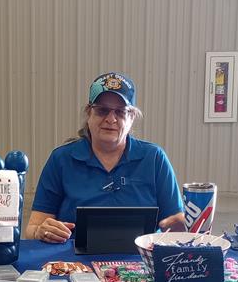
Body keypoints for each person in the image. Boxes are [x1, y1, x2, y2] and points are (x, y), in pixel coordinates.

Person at [26, 72, 186, 243]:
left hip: (140, 262)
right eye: (102, 110)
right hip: (72, 264)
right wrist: (40, 231)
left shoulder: (155, 159)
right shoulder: (61, 159)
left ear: (131, 117)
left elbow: (177, 226)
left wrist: (182, 226)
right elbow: (32, 228)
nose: (111, 119)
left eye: (120, 112)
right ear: (89, 114)